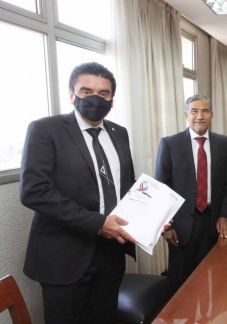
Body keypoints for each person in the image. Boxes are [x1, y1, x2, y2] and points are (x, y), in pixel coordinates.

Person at [20, 62, 137, 324]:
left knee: (105, 317)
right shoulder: (45, 129)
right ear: (72, 95)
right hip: (64, 255)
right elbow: (34, 192)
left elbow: (125, 186)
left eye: (104, 93)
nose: (95, 98)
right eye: (86, 91)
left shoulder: (120, 133)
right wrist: (98, 224)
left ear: (112, 100)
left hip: (111, 253)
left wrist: (149, 217)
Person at [155, 94, 227, 290]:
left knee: (212, 275)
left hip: (212, 221)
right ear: (186, 115)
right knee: (181, 280)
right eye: (194, 111)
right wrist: (167, 227)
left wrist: (225, 215)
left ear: (212, 115)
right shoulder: (170, 144)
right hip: (180, 225)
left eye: (205, 111)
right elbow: (161, 189)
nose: (200, 116)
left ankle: (208, 317)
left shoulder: (223, 143)